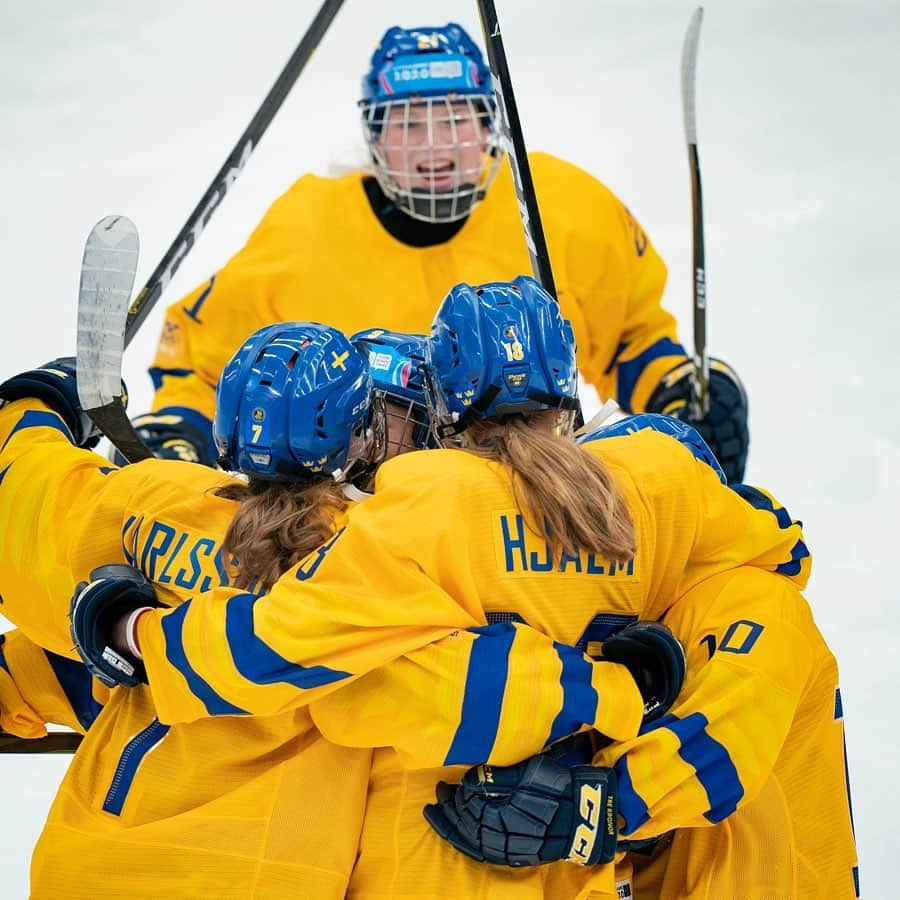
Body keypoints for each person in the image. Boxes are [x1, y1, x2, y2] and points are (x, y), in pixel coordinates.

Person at [76, 276, 809, 899]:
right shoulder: (656, 483)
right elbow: (781, 548)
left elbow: (279, 657)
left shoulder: (415, 509)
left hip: (415, 859)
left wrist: (133, 634)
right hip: (584, 865)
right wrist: (627, 721)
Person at [0, 323, 678, 899]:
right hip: (269, 877)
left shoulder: (161, 501)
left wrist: (35, 405)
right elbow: (472, 688)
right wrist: (628, 695)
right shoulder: (404, 565)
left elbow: (32, 517)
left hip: (83, 865)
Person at [134, 21, 749, 481]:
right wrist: (179, 433)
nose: (435, 147)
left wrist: (679, 390)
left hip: (535, 490)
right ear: (374, 135)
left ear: (489, 125)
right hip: (353, 519)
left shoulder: (567, 207)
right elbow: (204, 358)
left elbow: (632, 339)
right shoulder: (305, 225)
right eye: (407, 123)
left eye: (456, 119)